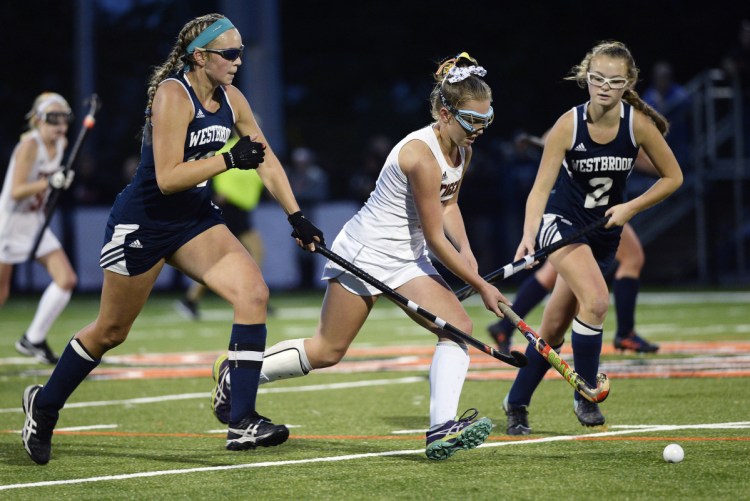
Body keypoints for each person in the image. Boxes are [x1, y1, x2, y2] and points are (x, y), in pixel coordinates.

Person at [20, 13, 324, 465]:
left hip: (194, 220)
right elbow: (167, 178)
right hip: (145, 223)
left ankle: (241, 420)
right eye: (230, 53)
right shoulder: (172, 94)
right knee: (111, 331)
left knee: (253, 293)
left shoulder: (232, 98)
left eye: (240, 51)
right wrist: (228, 161)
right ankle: (43, 406)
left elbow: (266, 160)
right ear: (200, 56)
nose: (238, 60)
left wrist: (296, 217)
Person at [211, 52, 508, 460]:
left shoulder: (462, 149)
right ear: (444, 112)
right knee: (327, 351)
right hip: (367, 252)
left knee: (457, 327)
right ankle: (240, 372)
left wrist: (470, 257)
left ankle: (441, 428)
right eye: (473, 121)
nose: (479, 130)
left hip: (407, 258)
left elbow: (450, 206)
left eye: (486, 121)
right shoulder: (419, 156)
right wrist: (480, 284)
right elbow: (437, 236)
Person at [501, 40, 683, 436]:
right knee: (598, 300)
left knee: (552, 330)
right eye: (597, 78)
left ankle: (515, 403)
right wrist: (529, 237)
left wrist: (630, 208)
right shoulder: (569, 123)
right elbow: (539, 190)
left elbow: (674, 177)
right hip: (563, 225)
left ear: (629, 82)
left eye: (614, 81)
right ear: (587, 76)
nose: (604, 86)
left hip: (603, 236)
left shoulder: (637, 124)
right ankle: (586, 391)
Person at [488, 143, 660, 355]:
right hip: (580, 209)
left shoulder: (617, 122)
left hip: (594, 204)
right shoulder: (594, 119)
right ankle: (624, 334)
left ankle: (505, 328)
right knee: (625, 263)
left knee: (555, 276)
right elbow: (555, 136)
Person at [0, 92, 77, 365]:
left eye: (63, 119)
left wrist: (60, 182)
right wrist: (52, 182)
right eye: (52, 119)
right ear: (38, 120)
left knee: (66, 279)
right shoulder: (30, 146)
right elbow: (16, 191)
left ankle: (33, 338)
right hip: (10, 223)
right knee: (2, 293)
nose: (59, 126)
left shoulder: (62, 142)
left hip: (34, 222)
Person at [175, 134, 267, 320]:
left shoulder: (254, 149)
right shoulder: (231, 147)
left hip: (240, 209)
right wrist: (218, 192)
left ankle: (192, 299)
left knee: (238, 255)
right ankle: (250, 296)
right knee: (248, 253)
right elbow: (217, 169)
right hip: (230, 207)